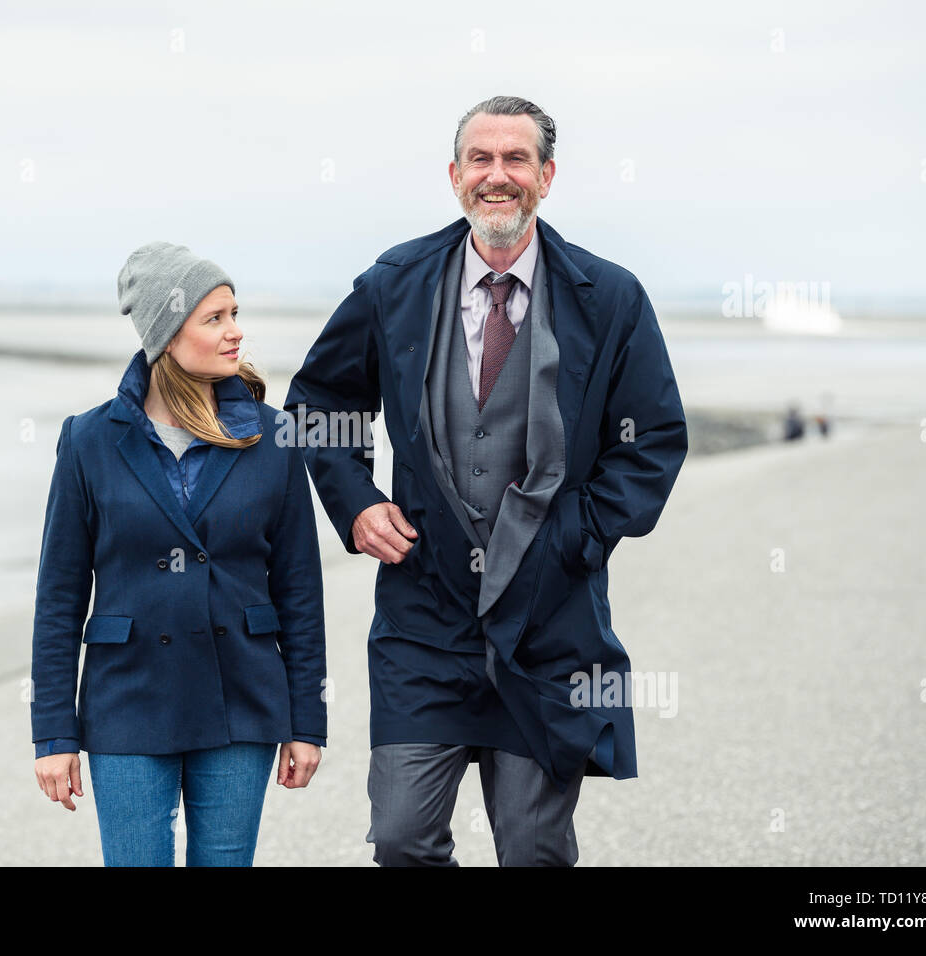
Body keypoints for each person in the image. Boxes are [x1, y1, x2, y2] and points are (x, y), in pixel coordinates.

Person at [285, 95, 688, 866]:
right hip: (422, 621)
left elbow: (653, 442)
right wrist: (357, 499)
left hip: (548, 623)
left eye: (515, 160)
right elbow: (319, 402)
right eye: (481, 159)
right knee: (402, 837)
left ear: (547, 176)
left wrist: (577, 536)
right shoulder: (394, 283)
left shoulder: (611, 299)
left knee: (534, 850)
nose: (496, 176)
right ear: (454, 174)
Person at [31, 242, 327, 866]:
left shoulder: (273, 439)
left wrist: (307, 721)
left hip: (242, 702)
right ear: (167, 335)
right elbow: (59, 599)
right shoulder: (88, 441)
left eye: (234, 313)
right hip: (127, 703)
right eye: (214, 318)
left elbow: (300, 592)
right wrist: (54, 734)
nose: (235, 332)